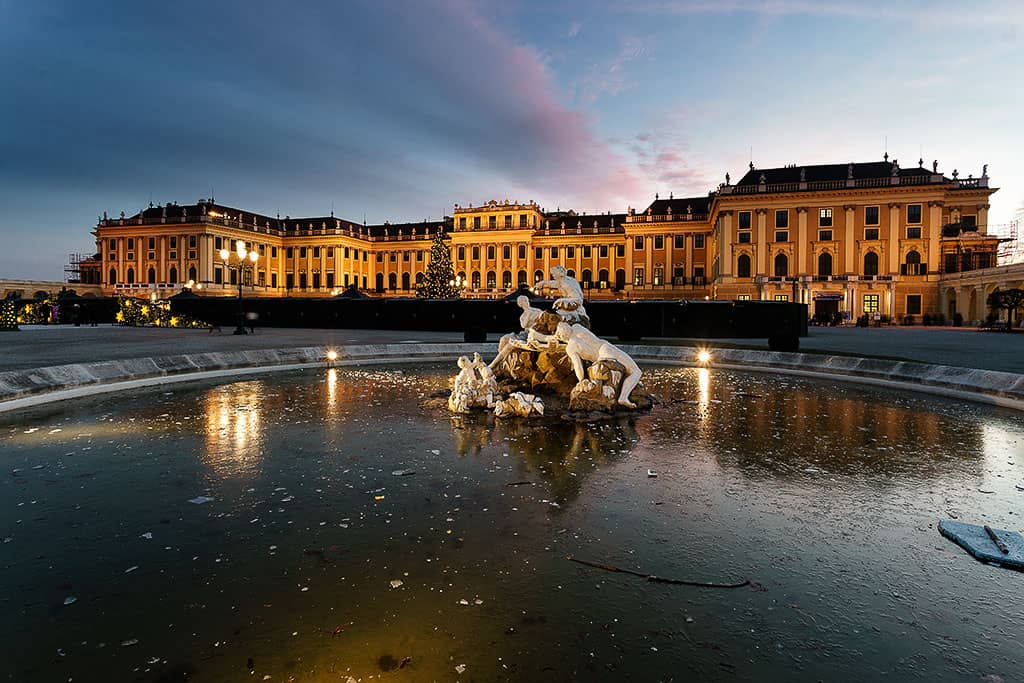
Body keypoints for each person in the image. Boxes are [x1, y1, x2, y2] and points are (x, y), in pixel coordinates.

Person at [536, 322, 642, 408]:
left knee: (633, 372)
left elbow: (578, 367)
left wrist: (582, 380)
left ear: (561, 338)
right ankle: (624, 396)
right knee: (636, 371)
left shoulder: (570, 348)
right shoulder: (577, 327)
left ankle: (625, 393)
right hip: (605, 349)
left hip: (599, 359)